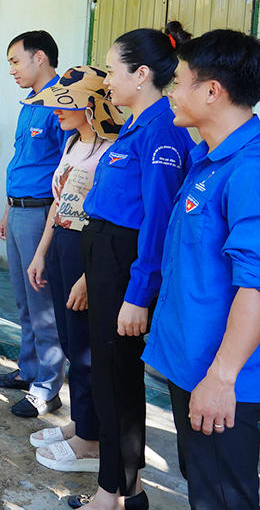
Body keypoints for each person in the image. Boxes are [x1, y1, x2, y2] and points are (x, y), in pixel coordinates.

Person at [71, 22, 195, 510]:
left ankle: (114, 496)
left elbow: (159, 217)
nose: (106, 81)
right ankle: (128, 492)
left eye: (111, 69)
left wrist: (138, 292)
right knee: (108, 375)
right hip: (107, 254)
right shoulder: (137, 123)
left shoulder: (161, 126)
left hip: (126, 260)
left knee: (118, 378)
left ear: (141, 74)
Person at [143, 29, 260, 510]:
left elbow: (256, 287)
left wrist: (223, 378)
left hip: (224, 378)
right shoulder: (206, 159)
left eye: (180, 81)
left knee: (223, 496)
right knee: (203, 483)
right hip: (192, 364)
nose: (171, 91)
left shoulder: (249, 169)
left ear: (212, 91)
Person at [24, 66, 125, 474]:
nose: (56, 112)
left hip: (89, 249)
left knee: (85, 346)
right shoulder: (70, 143)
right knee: (69, 339)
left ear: (91, 104)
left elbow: (107, 216)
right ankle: (81, 423)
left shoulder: (110, 148)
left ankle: (92, 440)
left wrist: (88, 273)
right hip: (63, 243)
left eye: (64, 105)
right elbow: (58, 203)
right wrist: (41, 252)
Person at [0, 31, 70, 418]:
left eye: (15, 61)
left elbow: (66, 172)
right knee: (23, 300)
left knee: (43, 306)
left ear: (40, 58)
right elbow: (22, 162)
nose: (12, 70)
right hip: (19, 211)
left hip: (42, 215)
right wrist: (6, 210)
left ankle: (48, 388)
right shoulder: (30, 104)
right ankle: (29, 369)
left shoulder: (61, 105)